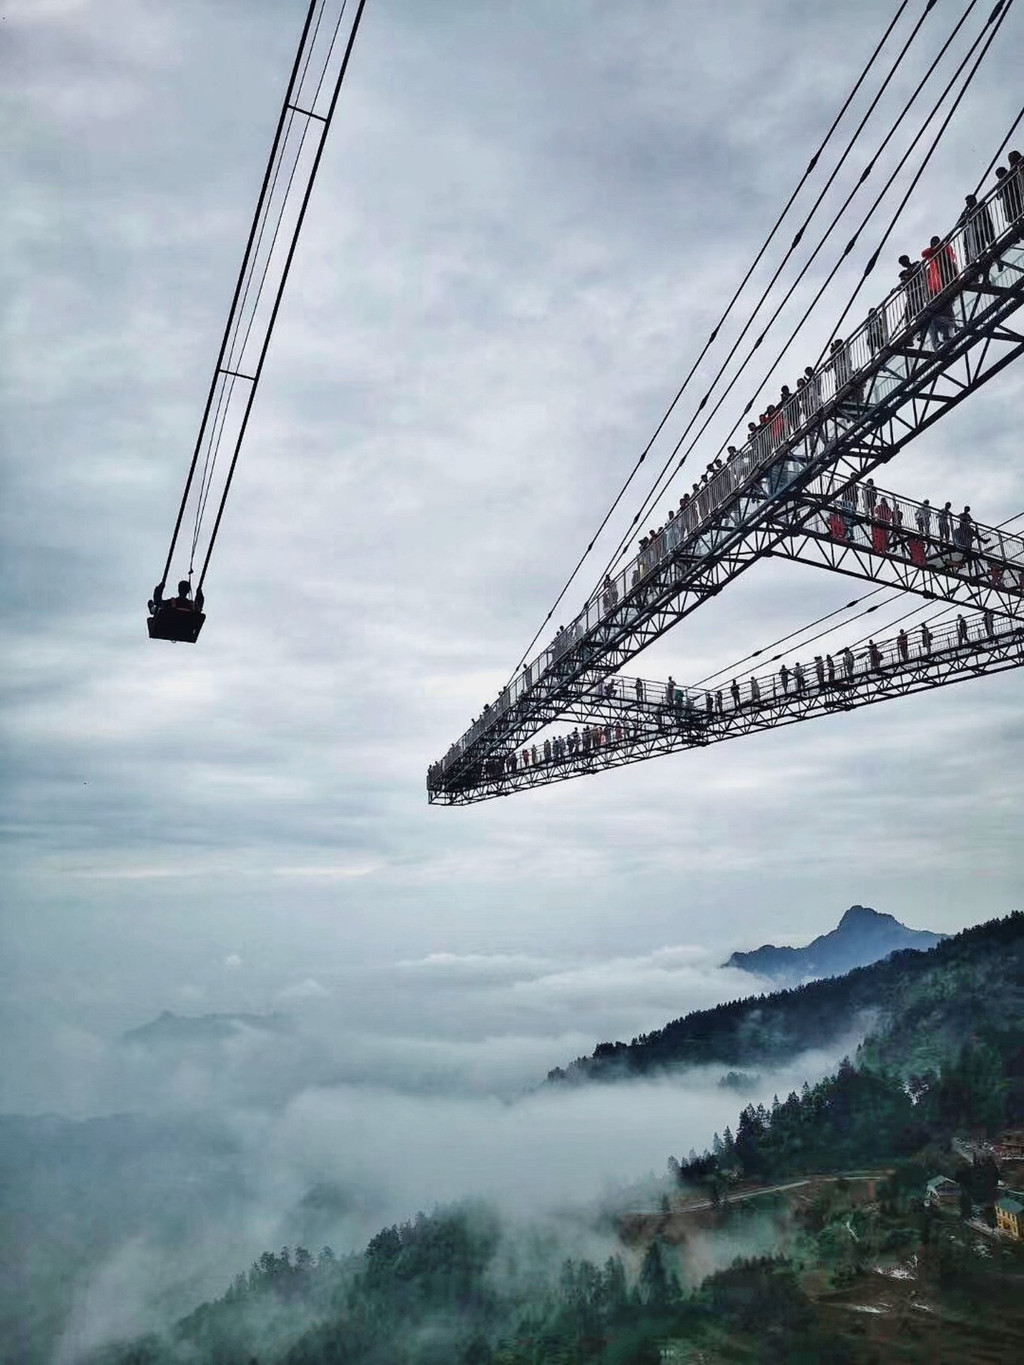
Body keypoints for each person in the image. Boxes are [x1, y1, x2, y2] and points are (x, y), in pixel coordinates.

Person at [921, 235, 958, 347]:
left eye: (936, 242)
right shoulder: (933, 255)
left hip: (946, 283)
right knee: (940, 311)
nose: (935, 245)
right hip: (936, 287)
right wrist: (936, 248)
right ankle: (940, 339)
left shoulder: (946, 251)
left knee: (945, 309)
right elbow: (924, 253)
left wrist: (939, 247)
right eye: (933, 243)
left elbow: (949, 252)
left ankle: (946, 337)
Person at [958, 193, 996, 266]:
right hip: (978, 234)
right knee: (982, 252)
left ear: (974, 201)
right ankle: (987, 268)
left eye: (970, 202)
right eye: (967, 203)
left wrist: (969, 212)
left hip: (986, 229)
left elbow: (983, 207)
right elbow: (959, 225)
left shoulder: (981, 205)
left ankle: (998, 261)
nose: (969, 204)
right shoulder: (968, 212)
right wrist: (963, 215)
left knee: (994, 246)